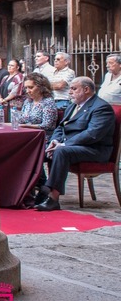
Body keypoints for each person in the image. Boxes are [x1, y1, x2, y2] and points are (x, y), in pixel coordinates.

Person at [34, 77, 117, 212]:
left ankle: (53, 198)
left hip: (95, 149)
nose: (70, 92)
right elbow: (61, 127)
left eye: (74, 89)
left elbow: (92, 134)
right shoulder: (74, 105)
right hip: (73, 146)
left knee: (61, 152)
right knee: (37, 151)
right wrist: (55, 141)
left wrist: (63, 145)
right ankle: (39, 189)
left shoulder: (101, 108)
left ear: (86, 89)